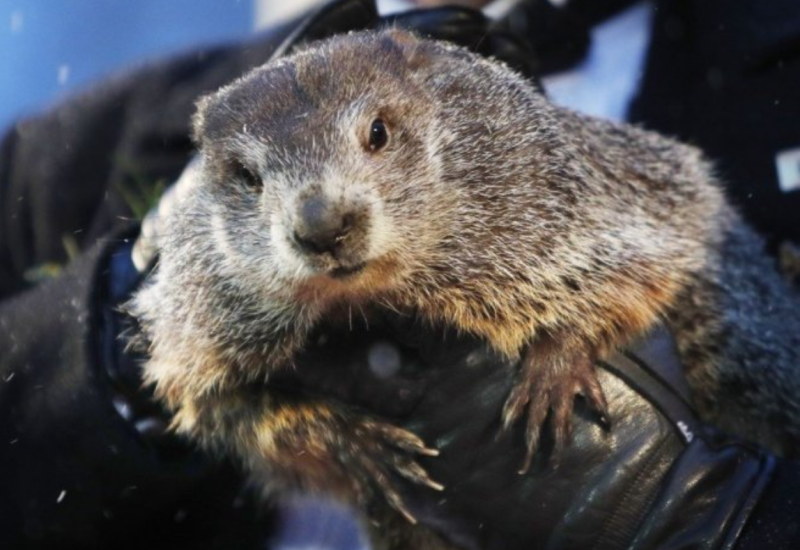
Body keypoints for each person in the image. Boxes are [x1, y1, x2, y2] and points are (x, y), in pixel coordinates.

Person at [1, 0, 799, 548]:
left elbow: (633, 266)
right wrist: (108, 351)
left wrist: (725, 523)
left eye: (377, 137)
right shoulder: (106, 140)